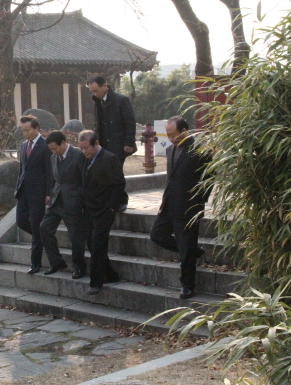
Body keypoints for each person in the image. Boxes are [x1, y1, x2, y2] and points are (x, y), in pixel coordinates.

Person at [150, 116, 212, 300]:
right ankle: (193, 250)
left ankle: (187, 285)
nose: (171, 139)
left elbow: (210, 176)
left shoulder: (199, 149)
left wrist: (200, 200)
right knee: (157, 235)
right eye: (168, 135)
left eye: (174, 134)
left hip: (189, 206)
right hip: (169, 205)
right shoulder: (170, 150)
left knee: (185, 247)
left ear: (184, 131)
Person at [78, 131, 125, 295]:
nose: (84, 151)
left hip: (104, 208)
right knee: (91, 242)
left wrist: (112, 207)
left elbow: (119, 184)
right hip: (90, 208)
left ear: (96, 144)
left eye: (86, 148)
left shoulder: (109, 159)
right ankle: (111, 274)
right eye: (81, 148)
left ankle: (96, 282)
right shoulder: (87, 159)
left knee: (98, 243)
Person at [39, 131, 87, 278]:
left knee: (75, 237)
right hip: (56, 201)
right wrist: (49, 194)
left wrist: (80, 198)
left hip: (73, 202)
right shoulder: (53, 158)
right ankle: (56, 262)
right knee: (44, 228)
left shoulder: (78, 155)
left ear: (64, 143)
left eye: (55, 148)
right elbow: (54, 179)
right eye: (51, 149)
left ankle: (79, 267)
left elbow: (85, 179)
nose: (54, 151)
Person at [87, 75, 137, 211]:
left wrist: (129, 142)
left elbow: (130, 122)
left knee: (116, 173)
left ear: (104, 86)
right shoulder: (97, 101)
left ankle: (121, 201)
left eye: (96, 90)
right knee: (105, 173)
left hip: (118, 143)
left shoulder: (121, 100)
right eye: (91, 91)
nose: (94, 93)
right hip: (103, 144)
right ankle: (109, 200)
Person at [14, 115, 52, 274]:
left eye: (28, 130)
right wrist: (17, 187)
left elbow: (49, 171)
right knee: (21, 221)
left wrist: (48, 192)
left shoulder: (45, 145)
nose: (25, 133)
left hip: (38, 192)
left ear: (36, 128)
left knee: (36, 226)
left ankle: (35, 263)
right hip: (23, 191)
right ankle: (42, 236)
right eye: (23, 131)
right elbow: (21, 169)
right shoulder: (23, 146)